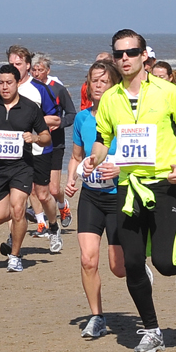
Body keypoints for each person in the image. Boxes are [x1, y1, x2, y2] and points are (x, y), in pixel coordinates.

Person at [86, 29, 176, 352]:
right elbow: (102, 138)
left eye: (131, 52)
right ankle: (152, 330)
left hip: (165, 185)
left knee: (164, 263)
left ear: (143, 56)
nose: (125, 58)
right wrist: (94, 159)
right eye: (119, 53)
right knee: (133, 264)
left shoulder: (167, 93)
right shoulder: (110, 99)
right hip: (128, 188)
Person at [62, 60, 125, 337]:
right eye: (93, 80)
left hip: (119, 196)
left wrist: (119, 168)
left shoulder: (124, 117)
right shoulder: (82, 118)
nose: (98, 85)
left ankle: (137, 265)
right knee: (88, 260)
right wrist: (71, 179)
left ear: (113, 84)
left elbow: (139, 156)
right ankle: (97, 317)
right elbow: (77, 156)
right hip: (91, 196)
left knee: (119, 267)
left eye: (103, 81)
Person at [0, 65, 50, 272]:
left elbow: (46, 136)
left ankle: (15, 256)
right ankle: (24, 215)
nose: (4, 87)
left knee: (16, 209)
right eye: (1, 82)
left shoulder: (30, 107)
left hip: (22, 166)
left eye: (9, 83)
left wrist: (34, 138)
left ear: (17, 83)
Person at [8, 46, 65, 252]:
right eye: (11, 64)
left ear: (28, 66)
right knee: (17, 195)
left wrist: (33, 121)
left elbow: (56, 118)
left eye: (18, 64)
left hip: (40, 149)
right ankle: (12, 237)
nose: (14, 68)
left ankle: (54, 226)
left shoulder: (39, 89)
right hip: (14, 150)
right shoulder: (6, 88)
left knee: (43, 195)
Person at [32, 54, 77, 238]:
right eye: (33, 69)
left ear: (48, 71)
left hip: (55, 143)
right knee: (33, 188)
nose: (36, 73)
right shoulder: (27, 90)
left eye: (40, 70)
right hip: (34, 144)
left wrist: (60, 123)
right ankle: (41, 223)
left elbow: (72, 113)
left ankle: (62, 205)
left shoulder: (57, 89)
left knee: (52, 189)